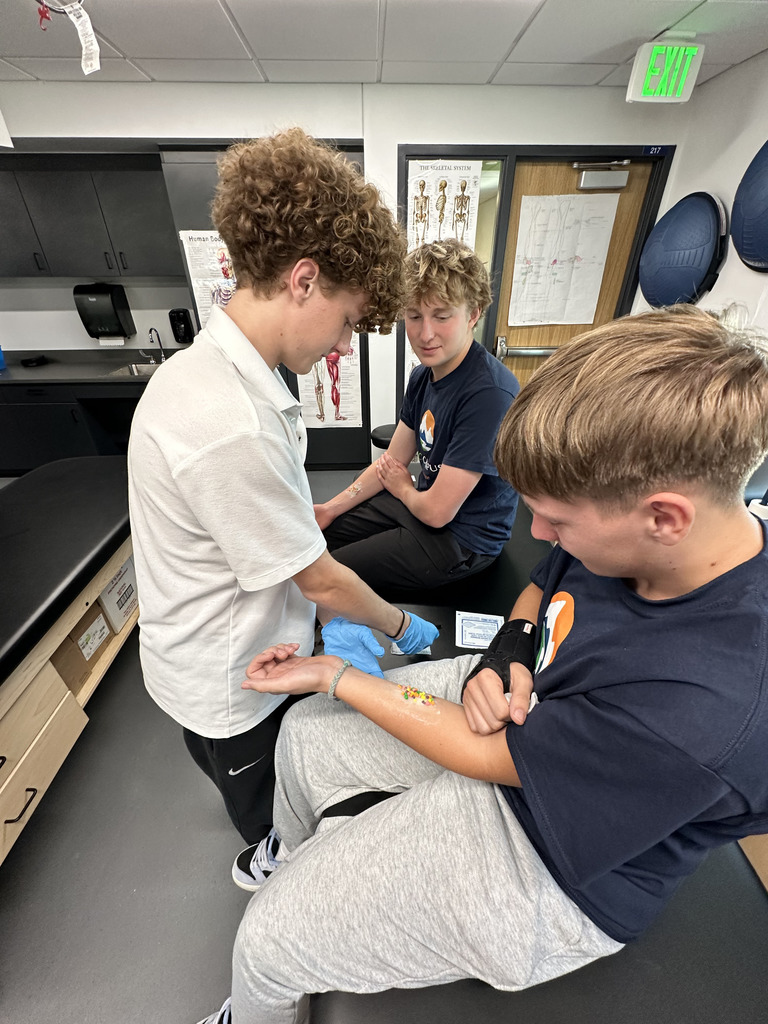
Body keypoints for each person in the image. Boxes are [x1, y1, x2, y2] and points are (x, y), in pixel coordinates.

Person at [196, 304, 768, 1024]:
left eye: (558, 518)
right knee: (307, 733)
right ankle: (301, 856)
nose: (538, 532)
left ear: (665, 517)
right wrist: (509, 649)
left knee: (267, 942)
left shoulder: (713, 701)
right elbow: (540, 586)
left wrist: (338, 673)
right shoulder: (643, 533)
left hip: (555, 867)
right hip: (537, 718)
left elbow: (487, 753)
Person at [127, 128, 438, 883]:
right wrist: (402, 627)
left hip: (217, 641)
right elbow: (320, 579)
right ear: (303, 280)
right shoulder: (229, 418)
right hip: (230, 675)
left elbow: (282, 536)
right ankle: (277, 864)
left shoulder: (212, 375)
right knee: (279, 808)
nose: (340, 347)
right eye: (345, 321)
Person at [315, 238, 520, 598]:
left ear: (472, 314)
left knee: (328, 574)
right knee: (317, 539)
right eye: (413, 316)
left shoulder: (489, 394)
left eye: (442, 316)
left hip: (463, 540)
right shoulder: (423, 376)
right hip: (419, 505)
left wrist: (404, 488)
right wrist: (329, 509)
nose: (425, 334)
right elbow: (392, 462)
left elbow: (438, 513)